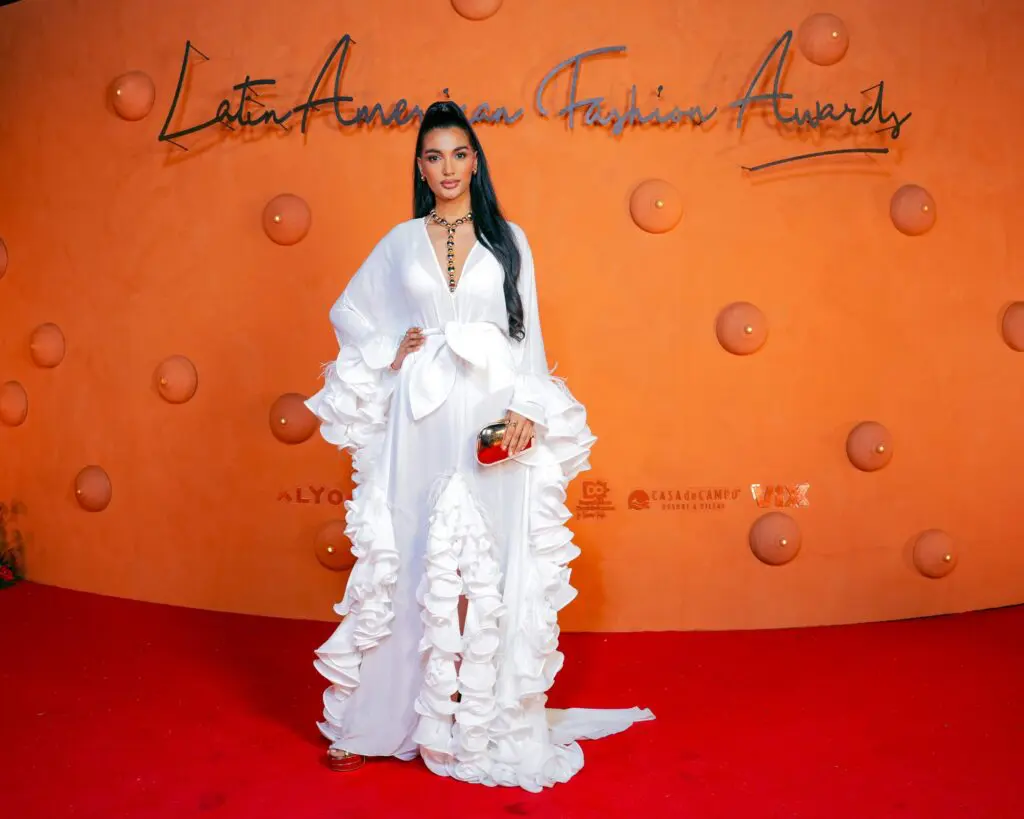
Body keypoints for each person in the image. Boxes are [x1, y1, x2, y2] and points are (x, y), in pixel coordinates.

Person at [304, 100, 654, 792]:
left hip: (493, 410)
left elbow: (532, 336)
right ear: (419, 166)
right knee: (407, 557)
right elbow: (349, 311)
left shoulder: (508, 237)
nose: (447, 168)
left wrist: (528, 405)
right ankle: (377, 723)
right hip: (422, 412)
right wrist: (391, 345)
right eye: (433, 156)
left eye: (458, 154)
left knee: (497, 561)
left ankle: (490, 723)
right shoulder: (401, 242)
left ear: (476, 160)